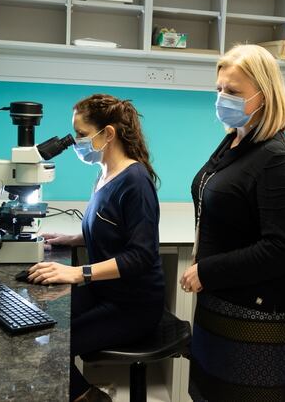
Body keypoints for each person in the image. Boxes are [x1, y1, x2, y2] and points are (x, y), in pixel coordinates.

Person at [179, 44, 285, 401]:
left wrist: (208, 271)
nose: (222, 99)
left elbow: (283, 249)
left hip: (255, 313)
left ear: (264, 96)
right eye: (219, 90)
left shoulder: (275, 157)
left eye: (233, 92)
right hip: (220, 301)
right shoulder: (235, 140)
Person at [26, 94, 164, 402]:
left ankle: (90, 398)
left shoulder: (136, 182)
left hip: (133, 306)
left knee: (53, 345)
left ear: (109, 134)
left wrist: (78, 273)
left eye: (81, 135)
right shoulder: (105, 172)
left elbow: (140, 256)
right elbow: (110, 230)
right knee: (36, 325)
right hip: (106, 291)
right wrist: (72, 239)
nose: (75, 143)